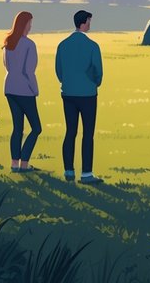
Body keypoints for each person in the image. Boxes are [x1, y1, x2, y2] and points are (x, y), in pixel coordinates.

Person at [55, 9, 103, 184]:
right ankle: (86, 173)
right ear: (85, 22)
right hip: (88, 94)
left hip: (68, 94)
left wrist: (67, 82)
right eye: (89, 21)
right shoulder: (92, 46)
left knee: (70, 132)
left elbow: (59, 70)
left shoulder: (63, 45)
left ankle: (69, 171)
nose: (90, 25)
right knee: (87, 134)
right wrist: (94, 83)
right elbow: (98, 71)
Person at [1, 11, 41, 173]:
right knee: (36, 128)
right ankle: (24, 163)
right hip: (25, 90)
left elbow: (7, 66)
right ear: (24, 24)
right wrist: (35, 89)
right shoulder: (29, 45)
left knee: (18, 127)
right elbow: (29, 71)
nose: (31, 26)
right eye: (30, 23)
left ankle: (14, 164)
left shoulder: (8, 42)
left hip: (10, 88)